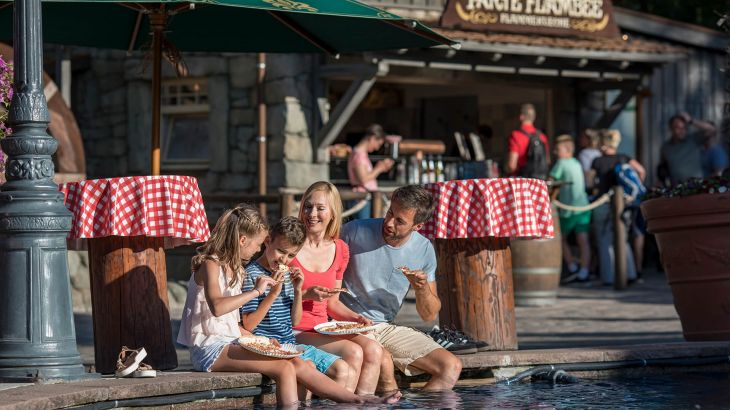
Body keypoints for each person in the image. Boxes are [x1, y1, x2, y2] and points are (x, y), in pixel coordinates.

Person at [176, 204, 401, 407]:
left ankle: (359, 399)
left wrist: (261, 341)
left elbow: (232, 324)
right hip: (209, 349)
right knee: (284, 368)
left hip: (231, 341)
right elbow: (217, 307)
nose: (256, 250)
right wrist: (257, 292)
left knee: (296, 362)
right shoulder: (211, 264)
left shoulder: (235, 269)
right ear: (243, 240)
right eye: (256, 244)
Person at [338, 185, 463, 392]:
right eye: (390, 213)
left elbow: (429, 314)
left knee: (451, 367)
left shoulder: (423, 250)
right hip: (346, 323)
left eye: (400, 221)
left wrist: (421, 288)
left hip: (384, 327)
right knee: (384, 364)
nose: (388, 223)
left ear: (418, 226)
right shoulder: (354, 231)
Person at [240, 216, 354, 396]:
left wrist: (299, 290)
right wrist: (273, 293)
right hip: (269, 346)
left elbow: (295, 320)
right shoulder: (252, 275)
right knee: (308, 369)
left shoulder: (285, 275)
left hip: (290, 344)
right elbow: (249, 324)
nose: (284, 260)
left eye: (291, 255)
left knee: (342, 369)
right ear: (268, 241)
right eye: (281, 251)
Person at [290, 181, 384, 395]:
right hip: (295, 329)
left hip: (322, 328)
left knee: (373, 350)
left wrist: (355, 318)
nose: (312, 213)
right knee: (354, 352)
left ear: (332, 213)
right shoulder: (289, 246)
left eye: (320, 208)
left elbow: (332, 302)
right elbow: (274, 298)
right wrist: (305, 294)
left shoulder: (340, 249)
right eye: (307, 206)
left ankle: (361, 404)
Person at [590, 130, 644, 286]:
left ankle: (609, 277)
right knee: (622, 239)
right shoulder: (624, 158)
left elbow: (591, 182)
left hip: (603, 202)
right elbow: (641, 171)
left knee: (605, 241)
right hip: (624, 204)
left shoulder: (597, 161)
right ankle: (630, 274)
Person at [549, 134, 591, 283]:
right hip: (583, 207)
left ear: (567, 150)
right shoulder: (576, 163)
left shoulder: (561, 163)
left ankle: (572, 267)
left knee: (561, 239)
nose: (555, 152)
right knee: (583, 241)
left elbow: (551, 181)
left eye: (557, 149)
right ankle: (584, 271)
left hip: (569, 210)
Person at [347, 124, 394, 219]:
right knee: (364, 230)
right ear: (372, 138)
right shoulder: (358, 154)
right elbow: (363, 179)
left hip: (365, 198)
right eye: (378, 144)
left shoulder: (360, 154)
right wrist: (379, 168)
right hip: (361, 198)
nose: (377, 148)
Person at [658, 112, 716, 186]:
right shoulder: (666, 147)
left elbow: (711, 129)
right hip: (677, 188)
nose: (682, 131)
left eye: (684, 128)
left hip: (696, 186)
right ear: (671, 128)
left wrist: (691, 120)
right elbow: (662, 168)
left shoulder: (693, 139)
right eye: (678, 128)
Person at [505, 103, 550, 179]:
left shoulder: (516, 135)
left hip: (523, 181)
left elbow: (512, 165)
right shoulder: (542, 136)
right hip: (539, 182)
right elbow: (547, 161)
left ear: (521, 117)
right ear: (534, 117)